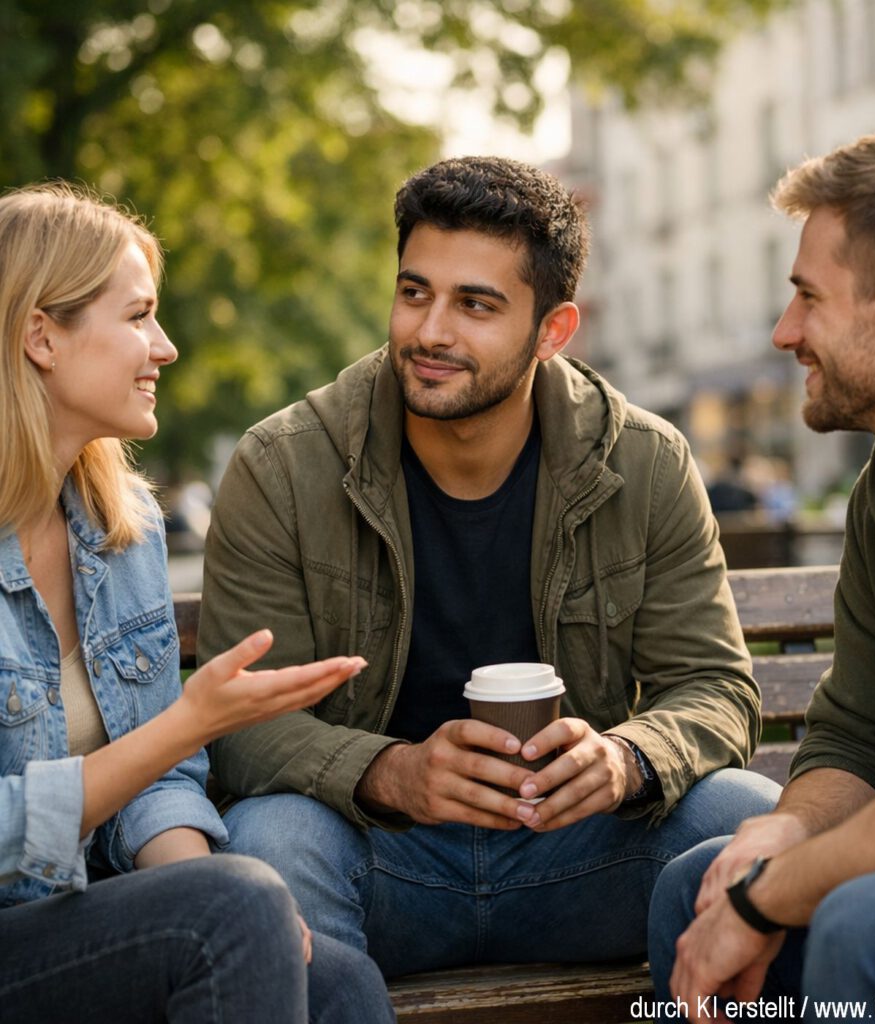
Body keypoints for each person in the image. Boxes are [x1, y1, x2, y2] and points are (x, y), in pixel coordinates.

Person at [197, 155, 778, 1003]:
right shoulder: (284, 464)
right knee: (270, 844)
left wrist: (625, 759)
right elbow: (243, 724)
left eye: (475, 305)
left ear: (554, 330)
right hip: (379, 856)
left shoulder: (645, 460)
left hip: (582, 849)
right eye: (414, 291)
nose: (431, 331)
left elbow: (716, 687)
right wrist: (392, 773)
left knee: (744, 820)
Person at [649, 129, 875, 1016]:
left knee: (872, 922)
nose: (786, 333)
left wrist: (773, 892)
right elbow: (865, 735)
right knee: (698, 884)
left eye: (808, 297)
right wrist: (782, 836)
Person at [0, 183, 393, 1023]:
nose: (165, 347)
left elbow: (154, 784)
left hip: (76, 916)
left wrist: (213, 886)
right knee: (236, 907)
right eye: (138, 316)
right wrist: (191, 722)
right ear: (41, 335)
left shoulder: (120, 526)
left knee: (335, 977)